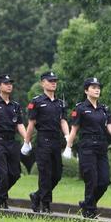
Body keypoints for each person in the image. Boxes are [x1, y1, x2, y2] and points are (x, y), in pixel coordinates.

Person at [64, 77, 111, 218]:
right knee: (92, 179)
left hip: (101, 147)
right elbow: (74, 129)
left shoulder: (104, 109)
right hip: (87, 147)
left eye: (98, 87)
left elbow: (109, 124)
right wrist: (68, 147)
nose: (97, 89)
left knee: (104, 181)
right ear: (86, 91)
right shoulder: (80, 108)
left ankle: (87, 203)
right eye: (93, 87)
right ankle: (89, 211)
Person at [24, 71, 70, 213]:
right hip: (43, 140)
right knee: (45, 173)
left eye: (55, 80)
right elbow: (31, 123)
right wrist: (27, 142)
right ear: (42, 83)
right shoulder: (37, 102)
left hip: (56, 140)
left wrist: (68, 136)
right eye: (50, 81)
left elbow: (63, 120)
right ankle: (45, 204)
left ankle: (37, 196)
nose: (53, 83)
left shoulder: (60, 103)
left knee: (57, 174)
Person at [0, 74, 30, 208]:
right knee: (2, 174)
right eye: (6, 83)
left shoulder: (15, 106)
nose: (9, 85)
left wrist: (26, 140)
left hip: (12, 142)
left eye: (10, 83)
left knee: (15, 174)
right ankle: (1, 200)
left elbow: (19, 124)